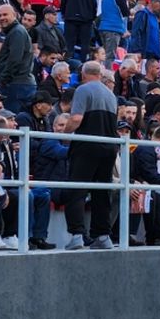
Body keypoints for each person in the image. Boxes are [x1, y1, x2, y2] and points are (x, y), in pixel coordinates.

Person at [62, 61, 120, 250]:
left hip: (87, 146)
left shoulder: (83, 90)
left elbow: (77, 118)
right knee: (102, 192)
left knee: (77, 190)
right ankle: (103, 236)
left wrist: (65, 133)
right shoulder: (111, 95)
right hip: (109, 147)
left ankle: (77, 235)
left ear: (83, 73)